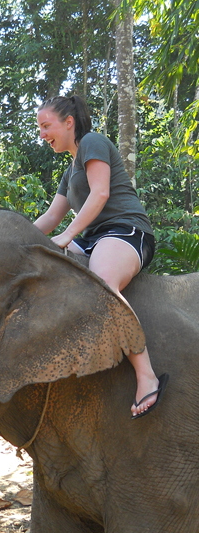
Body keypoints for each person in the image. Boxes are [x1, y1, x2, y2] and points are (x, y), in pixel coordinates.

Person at [34, 94, 168, 419]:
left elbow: (101, 193)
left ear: (69, 122)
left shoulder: (92, 141)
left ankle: (146, 374)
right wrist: (15, 238)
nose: (41, 134)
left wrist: (67, 236)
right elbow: (51, 218)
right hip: (94, 238)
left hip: (125, 230)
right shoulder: (70, 170)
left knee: (102, 283)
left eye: (45, 125)